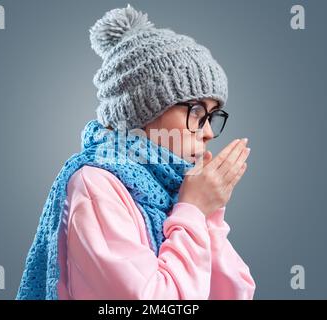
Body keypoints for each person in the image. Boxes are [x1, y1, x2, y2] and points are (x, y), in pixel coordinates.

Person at [17, 4, 255, 300]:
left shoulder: (176, 191)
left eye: (213, 115)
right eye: (196, 111)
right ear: (142, 114)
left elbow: (233, 294)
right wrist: (192, 211)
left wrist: (206, 213)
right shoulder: (97, 186)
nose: (207, 132)